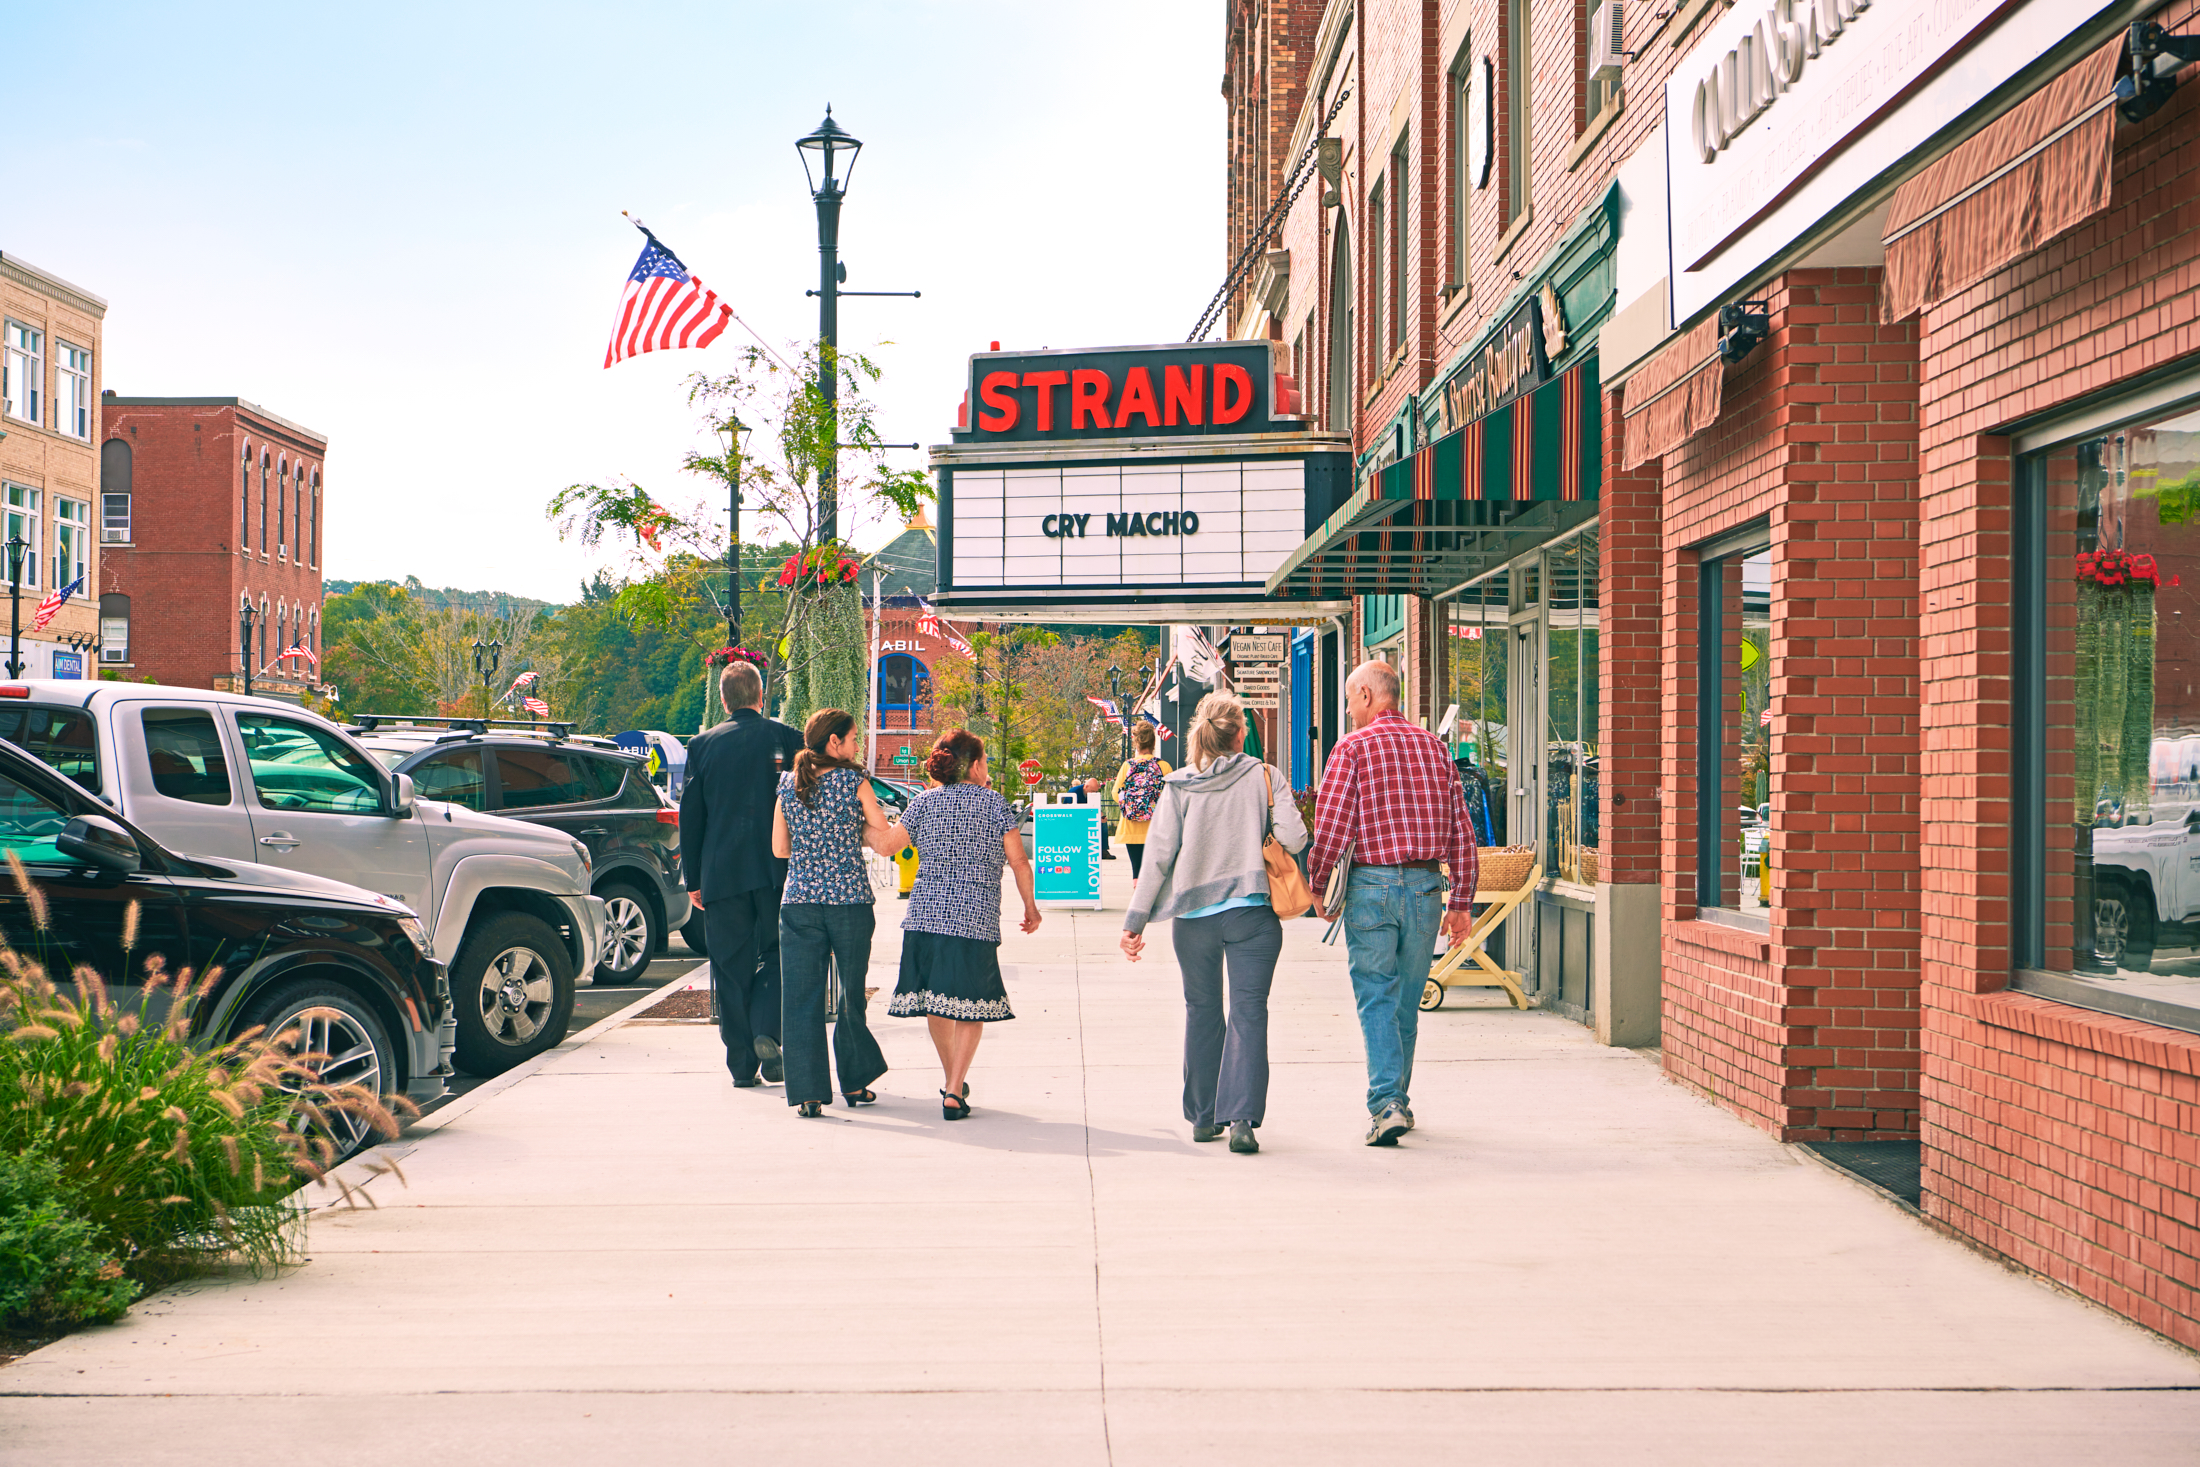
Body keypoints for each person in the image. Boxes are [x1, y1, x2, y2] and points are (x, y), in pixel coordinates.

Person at [1120, 692, 1306, 1155]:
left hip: (1194, 920)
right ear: (1241, 733)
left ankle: (1204, 1118)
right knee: (1249, 1012)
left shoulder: (1179, 786)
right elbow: (1295, 837)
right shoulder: (1265, 776)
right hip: (1252, 916)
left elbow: (1158, 859)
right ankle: (1241, 1120)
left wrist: (1135, 922)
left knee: (1201, 1011)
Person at [1306, 660, 1479, 1147]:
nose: (1347, 710)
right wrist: (1461, 900)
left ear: (1365, 694)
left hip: (1371, 890)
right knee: (1404, 1002)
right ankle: (1395, 1100)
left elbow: (1333, 824)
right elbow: (1460, 830)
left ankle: (1387, 1104)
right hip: (1426, 889)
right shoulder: (1435, 749)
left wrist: (1318, 885)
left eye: (1347, 700)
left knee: (1376, 995)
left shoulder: (1353, 749)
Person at [887, 729, 1040, 1119]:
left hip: (925, 916)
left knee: (936, 1002)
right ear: (973, 766)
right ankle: (955, 1087)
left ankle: (950, 1079)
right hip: (974, 918)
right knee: (972, 1004)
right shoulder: (995, 805)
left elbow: (888, 844)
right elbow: (1019, 862)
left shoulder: (923, 803)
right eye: (985, 761)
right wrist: (1030, 907)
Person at [773, 708, 906, 1117]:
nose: (856, 747)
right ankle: (854, 1082)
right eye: (852, 739)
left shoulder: (787, 783)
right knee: (850, 995)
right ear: (834, 742)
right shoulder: (854, 782)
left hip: (799, 901)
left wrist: (813, 846)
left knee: (800, 998)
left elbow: (780, 848)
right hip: (848, 900)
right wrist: (852, 835)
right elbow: (884, 834)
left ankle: (808, 1095)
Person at [681, 660, 804, 1088]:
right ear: (761, 695)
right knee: (778, 954)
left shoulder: (701, 745)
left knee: (730, 966)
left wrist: (693, 877)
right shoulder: (788, 739)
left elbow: (691, 816)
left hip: (722, 871)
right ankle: (766, 1031)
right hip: (777, 870)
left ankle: (741, 1065)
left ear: (722, 700)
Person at [1110, 722, 1173, 879]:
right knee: (1155, 873)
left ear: (1136, 744)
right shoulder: (1163, 766)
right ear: (1153, 742)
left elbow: (1115, 793)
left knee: (1137, 872)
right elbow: (1171, 797)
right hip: (1156, 828)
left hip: (1131, 827)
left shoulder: (1127, 766)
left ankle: (1138, 897)